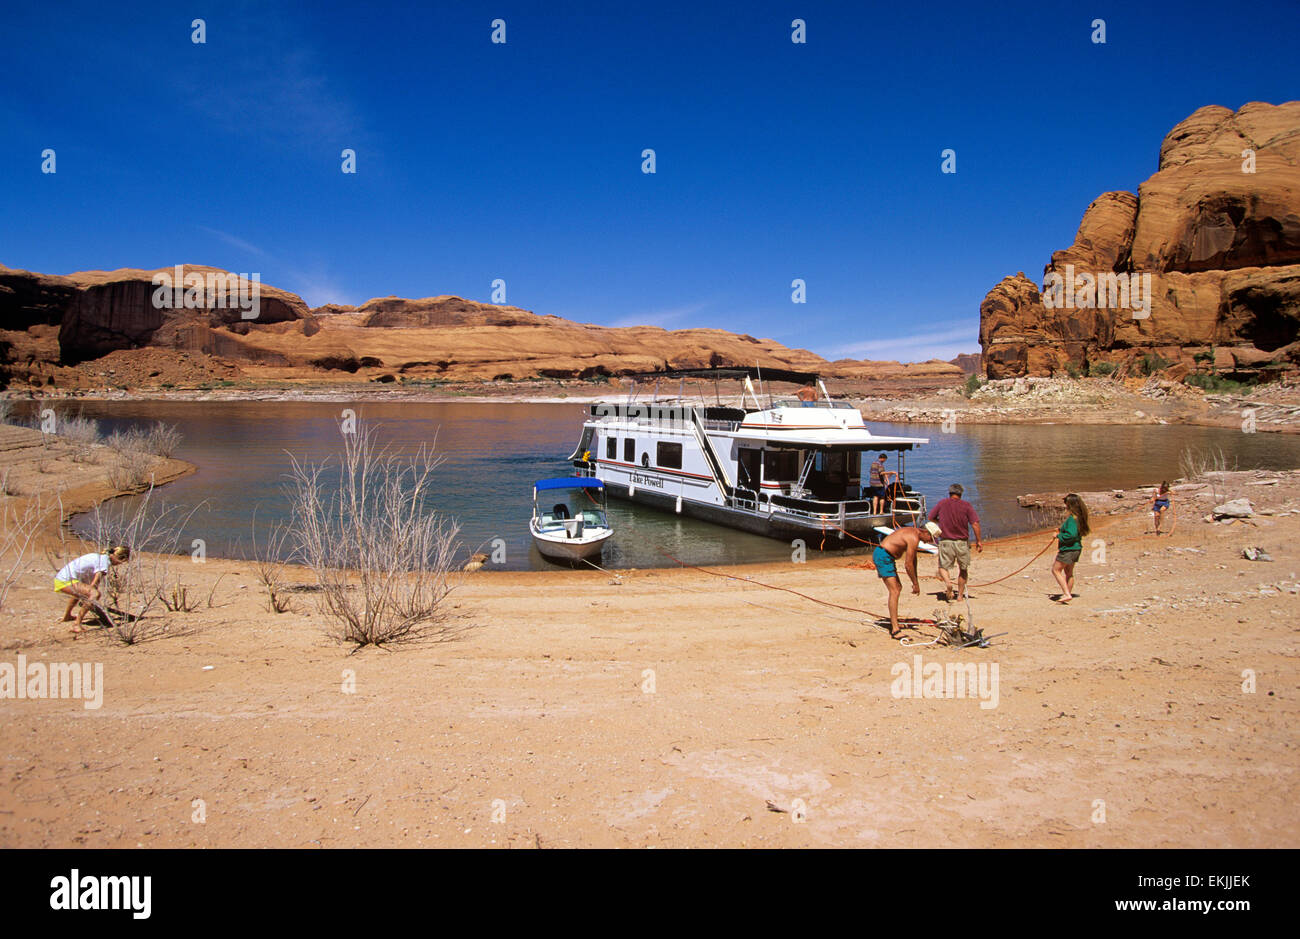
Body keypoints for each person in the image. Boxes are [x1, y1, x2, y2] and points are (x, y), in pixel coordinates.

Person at [873, 522, 940, 638]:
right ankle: (895, 630)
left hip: (887, 556)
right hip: (883, 556)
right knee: (895, 591)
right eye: (931, 538)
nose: (929, 541)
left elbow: (914, 561)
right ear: (925, 532)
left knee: (898, 588)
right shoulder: (913, 537)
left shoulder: (915, 535)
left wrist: (916, 581)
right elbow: (908, 565)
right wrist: (914, 583)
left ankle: (895, 623)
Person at [55, 546, 129, 634]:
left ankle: (67, 616)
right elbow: (96, 580)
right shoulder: (105, 562)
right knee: (95, 594)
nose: (119, 564)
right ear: (119, 558)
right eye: (121, 561)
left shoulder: (100, 557)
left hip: (61, 578)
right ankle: (76, 624)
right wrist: (91, 598)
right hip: (65, 580)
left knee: (82, 592)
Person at [927, 483, 983, 601]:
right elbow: (975, 524)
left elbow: (930, 517)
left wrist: (940, 521)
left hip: (946, 541)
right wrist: (979, 541)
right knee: (963, 569)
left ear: (950, 493)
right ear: (960, 494)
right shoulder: (966, 505)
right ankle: (960, 596)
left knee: (942, 567)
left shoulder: (942, 503)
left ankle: (948, 583)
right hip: (962, 542)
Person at [1051, 494, 1090, 604]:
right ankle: (1066, 594)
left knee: (1055, 570)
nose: (1065, 506)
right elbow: (1073, 531)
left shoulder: (1072, 519)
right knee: (1069, 572)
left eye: (1066, 504)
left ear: (1070, 505)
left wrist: (1058, 536)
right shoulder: (1078, 517)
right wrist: (1060, 529)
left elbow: (1071, 535)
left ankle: (1067, 594)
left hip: (1068, 549)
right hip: (1076, 548)